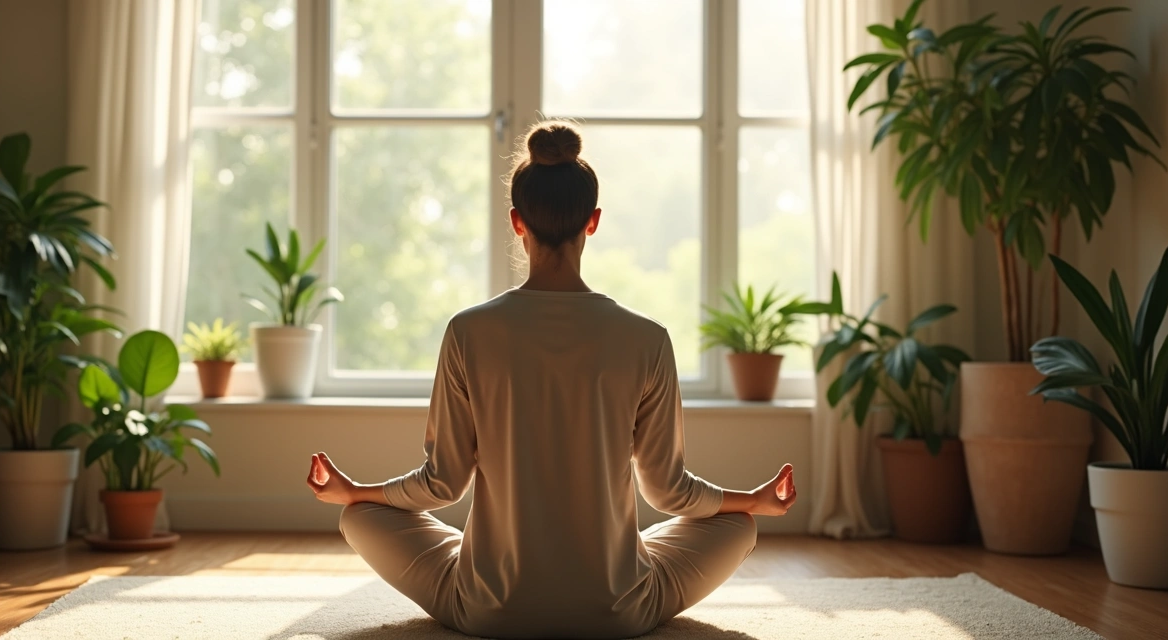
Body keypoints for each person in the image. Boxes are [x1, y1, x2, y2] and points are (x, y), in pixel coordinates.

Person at [305, 121, 798, 639]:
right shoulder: (647, 338)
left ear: (518, 222)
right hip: (621, 612)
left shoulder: (469, 331)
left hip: (487, 611)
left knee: (358, 516)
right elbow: (668, 492)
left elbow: (442, 484)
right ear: (594, 221)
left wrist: (357, 490)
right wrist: (752, 500)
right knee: (738, 525)